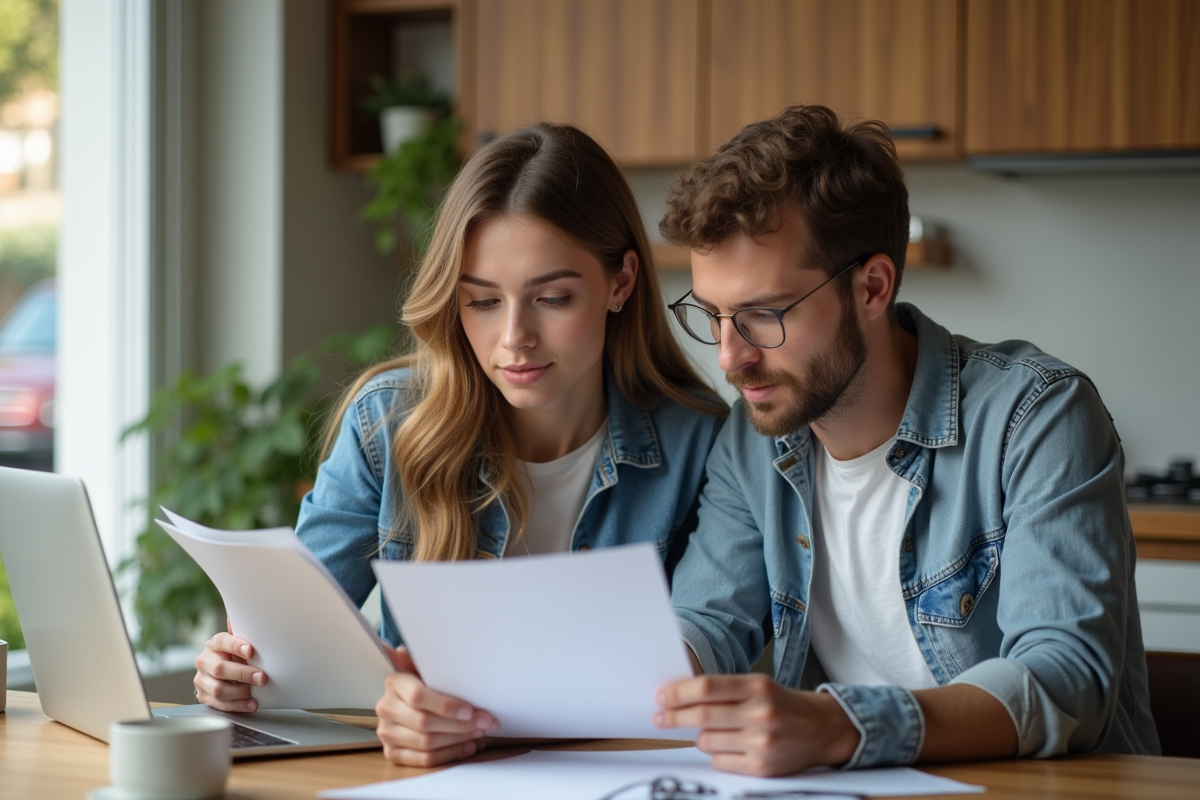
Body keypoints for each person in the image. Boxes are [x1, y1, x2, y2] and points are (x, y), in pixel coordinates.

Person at [191, 123, 727, 767]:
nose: (514, 338)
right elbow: (292, 642)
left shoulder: (701, 444)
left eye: (552, 298)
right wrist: (240, 670)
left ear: (621, 282)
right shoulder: (387, 425)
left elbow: (698, 660)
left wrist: (479, 721)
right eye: (481, 302)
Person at [652, 105, 1160, 775]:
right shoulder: (754, 439)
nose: (729, 358)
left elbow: (1065, 681)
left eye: (763, 316)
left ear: (872, 286)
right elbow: (704, 625)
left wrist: (843, 725)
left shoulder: (1037, 416)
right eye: (713, 316)